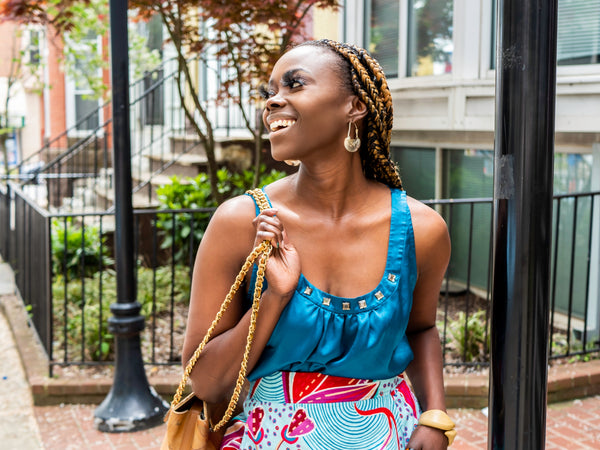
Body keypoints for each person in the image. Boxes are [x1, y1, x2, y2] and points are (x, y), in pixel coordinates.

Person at [182, 39, 453, 450]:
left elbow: (421, 327)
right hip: (270, 439)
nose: (273, 102)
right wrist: (274, 297)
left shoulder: (422, 229)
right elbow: (205, 381)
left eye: (295, 84)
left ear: (355, 106)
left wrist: (434, 416)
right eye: (269, 92)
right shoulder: (242, 222)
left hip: (390, 437)